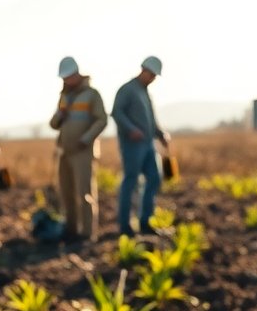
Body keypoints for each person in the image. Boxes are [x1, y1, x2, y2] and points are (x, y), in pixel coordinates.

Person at [49, 56, 108, 244]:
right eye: (63, 78)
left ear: (77, 75)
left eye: (68, 77)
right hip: (65, 152)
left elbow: (101, 120)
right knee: (66, 192)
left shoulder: (92, 95)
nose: (65, 81)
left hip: (83, 151)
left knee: (84, 192)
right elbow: (53, 124)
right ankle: (71, 229)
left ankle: (87, 233)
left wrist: (86, 138)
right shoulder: (64, 96)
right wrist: (60, 115)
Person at [112, 55, 170, 237]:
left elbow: (151, 120)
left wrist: (161, 134)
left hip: (148, 145)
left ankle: (145, 221)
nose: (152, 78)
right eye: (151, 74)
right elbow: (117, 112)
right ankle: (125, 226)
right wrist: (131, 130)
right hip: (132, 145)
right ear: (143, 70)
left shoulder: (145, 93)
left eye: (155, 76)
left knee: (154, 178)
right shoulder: (127, 90)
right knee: (130, 182)